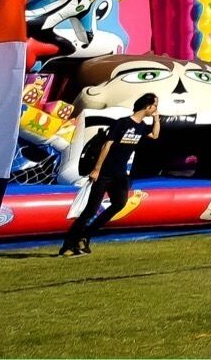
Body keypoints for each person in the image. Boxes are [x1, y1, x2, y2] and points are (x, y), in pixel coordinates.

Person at [60, 93, 161, 256]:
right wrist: (97, 169)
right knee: (90, 210)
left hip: (120, 174)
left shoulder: (141, 127)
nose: (156, 109)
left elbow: (155, 135)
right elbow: (106, 146)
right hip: (105, 172)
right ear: (147, 106)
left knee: (119, 204)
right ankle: (68, 244)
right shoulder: (122, 123)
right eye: (155, 105)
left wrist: (156, 119)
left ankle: (86, 234)